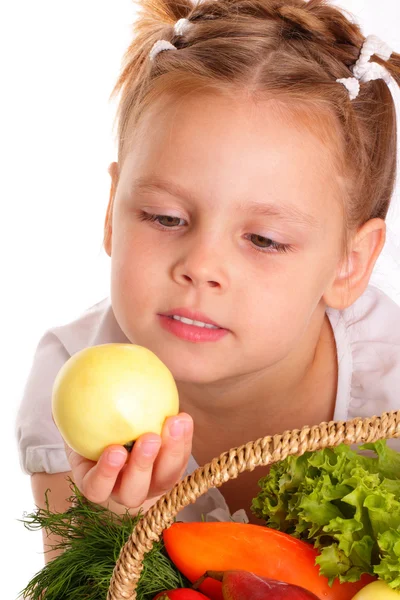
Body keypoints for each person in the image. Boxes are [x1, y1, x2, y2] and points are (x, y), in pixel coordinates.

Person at [15, 0, 400, 563]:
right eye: (165, 218)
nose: (201, 266)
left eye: (264, 240)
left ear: (349, 264)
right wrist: (116, 535)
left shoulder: (389, 392)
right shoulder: (69, 383)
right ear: (111, 213)